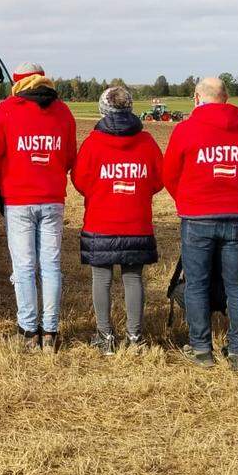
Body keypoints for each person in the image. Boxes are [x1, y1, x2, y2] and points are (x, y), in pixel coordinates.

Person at [163, 76, 238, 370]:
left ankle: (202, 348)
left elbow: (169, 174)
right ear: (226, 98)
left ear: (196, 97)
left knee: (196, 284)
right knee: (236, 284)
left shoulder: (185, 129)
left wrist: (187, 200)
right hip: (234, 218)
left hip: (197, 218)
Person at [0, 62, 76, 353]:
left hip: (19, 200)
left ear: (18, 82)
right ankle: (50, 331)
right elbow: (70, 156)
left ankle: (27, 331)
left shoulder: (6, 110)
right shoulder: (63, 112)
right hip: (52, 199)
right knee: (51, 266)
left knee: (23, 267)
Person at [71, 86, 163, 355]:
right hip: (137, 221)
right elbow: (159, 178)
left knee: (102, 279)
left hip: (100, 221)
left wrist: (102, 192)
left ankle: (105, 336)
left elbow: (79, 180)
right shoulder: (146, 143)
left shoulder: (93, 142)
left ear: (103, 109)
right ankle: (135, 338)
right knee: (133, 278)